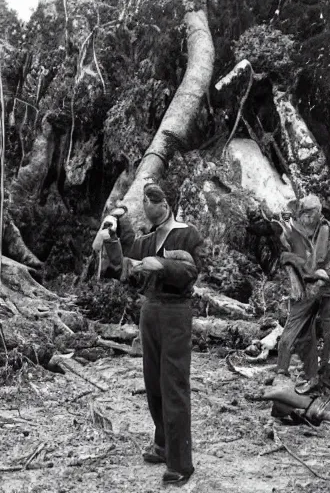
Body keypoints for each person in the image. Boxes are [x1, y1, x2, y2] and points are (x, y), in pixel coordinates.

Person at [93, 183, 206, 486]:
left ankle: (181, 463)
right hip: (150, 311)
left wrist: (164, 265)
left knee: (174, 384)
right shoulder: (147, 239)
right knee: (153, 382)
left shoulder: (187, 234)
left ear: (166, 203)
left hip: (175, 312)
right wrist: (113, 237)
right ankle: (163, 443)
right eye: (143, 200)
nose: (145, 206)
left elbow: (192, 271)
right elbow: (126, 266)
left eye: (150, 200)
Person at [253, 194, 330, 395]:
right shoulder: (300, 228)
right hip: (308, 287)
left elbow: (317, 264)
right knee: (299, 331)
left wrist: (293, 261)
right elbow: (296, 256)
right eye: (302, 214)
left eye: (308, 214)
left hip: (325, 287)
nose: (304, 218)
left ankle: (319, 371)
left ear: (316, 213)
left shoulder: (324, 229)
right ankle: (287, 372)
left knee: (325, 328)